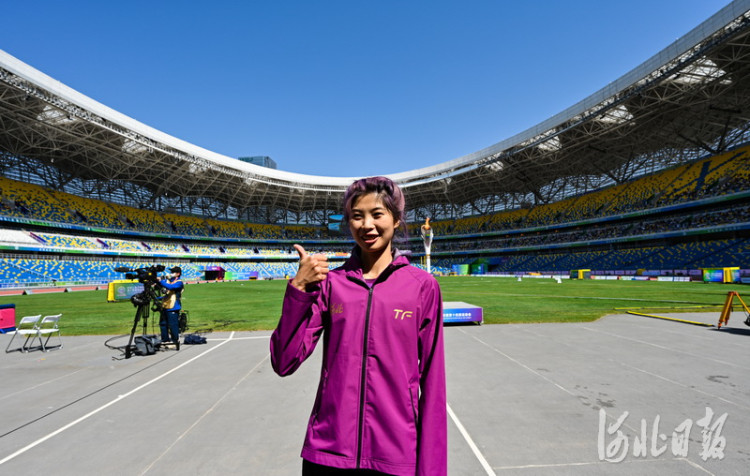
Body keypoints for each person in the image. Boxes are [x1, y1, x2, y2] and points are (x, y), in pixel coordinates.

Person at [270, 177, 447, 476]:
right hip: (327, 454)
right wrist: (299, 288)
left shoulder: (422, 287)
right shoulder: (331, 285)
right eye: (357, 216)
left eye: (377, 214)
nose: (367, 225)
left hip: (394, 456)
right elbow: (284, 361)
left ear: (396, 218)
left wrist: (431, 471)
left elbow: (433, 384)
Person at [159, 266, 184, 351]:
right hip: (165, 305)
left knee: (173, 325)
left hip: (174, 307)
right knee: (163, 324)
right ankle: (165, 340)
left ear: (178, 274)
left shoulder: (179, 282)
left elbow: (171, 288)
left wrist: (161, 281)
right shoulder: (169, 281)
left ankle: (175, 340)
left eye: (173, 272)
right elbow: (166, 293)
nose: (171, 273)